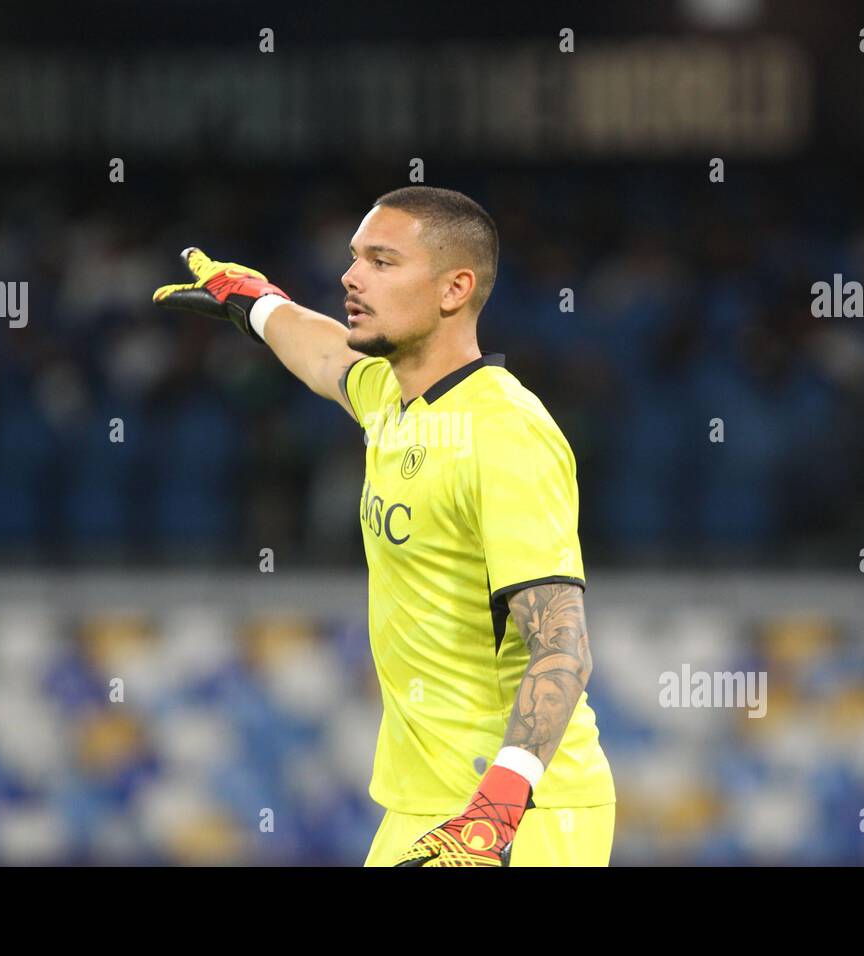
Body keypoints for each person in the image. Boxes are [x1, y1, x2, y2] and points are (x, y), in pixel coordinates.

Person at [153, 185, 615, 866]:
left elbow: (563, 646)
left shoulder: (504, 433)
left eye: (381, 261)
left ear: (454, 288)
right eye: (353, 259)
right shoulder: (394, 402)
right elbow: (322, 356)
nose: (350, 276)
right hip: (424, 811)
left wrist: (497, 809)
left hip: (517, 820)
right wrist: (256, 304)